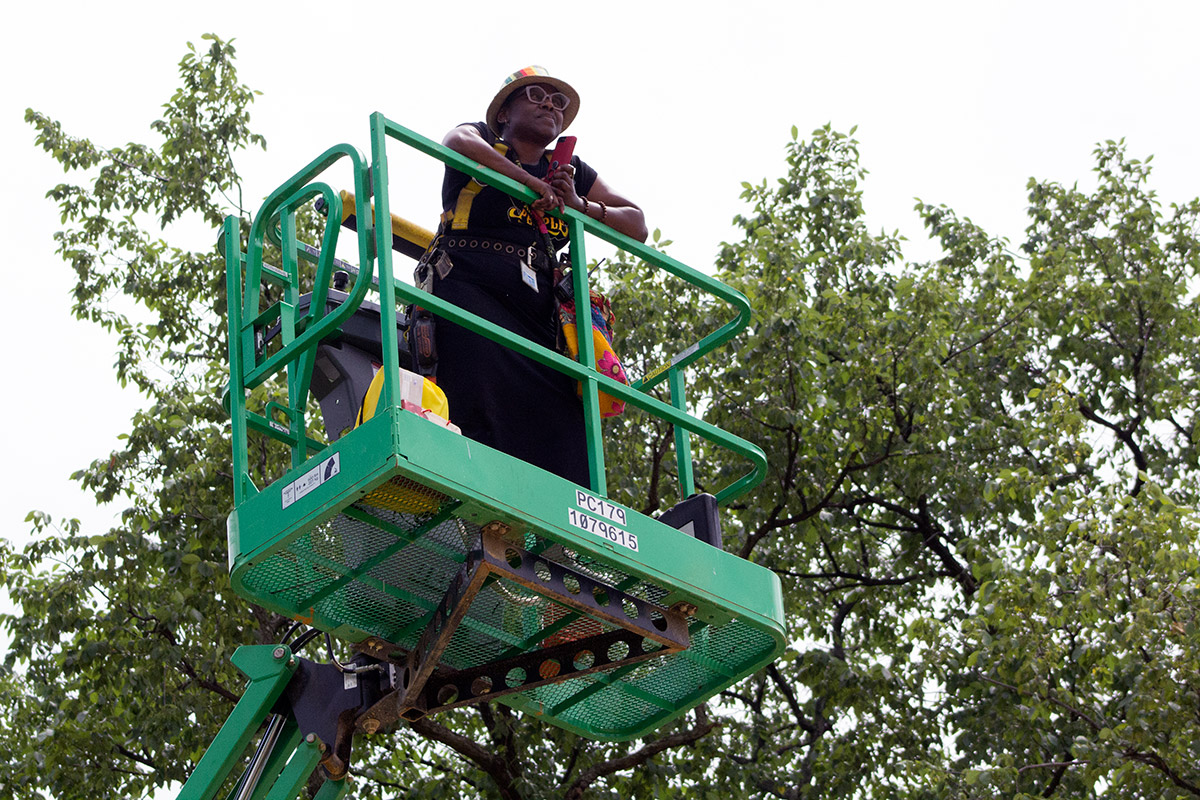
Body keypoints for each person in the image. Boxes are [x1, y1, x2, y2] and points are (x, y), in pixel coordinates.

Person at [428, 66, 647, 487]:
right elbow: (455, 142)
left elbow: (637, 223)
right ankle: (480, 498)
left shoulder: (570, 171)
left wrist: (579, 204)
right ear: (505, 112)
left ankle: (562, 531)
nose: (549, 104)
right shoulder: (482, 140)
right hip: (471, 289)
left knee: (564, 423)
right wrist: (530, 184)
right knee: (480, 399)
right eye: (535, 94)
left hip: (539, 317)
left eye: (558, 101)